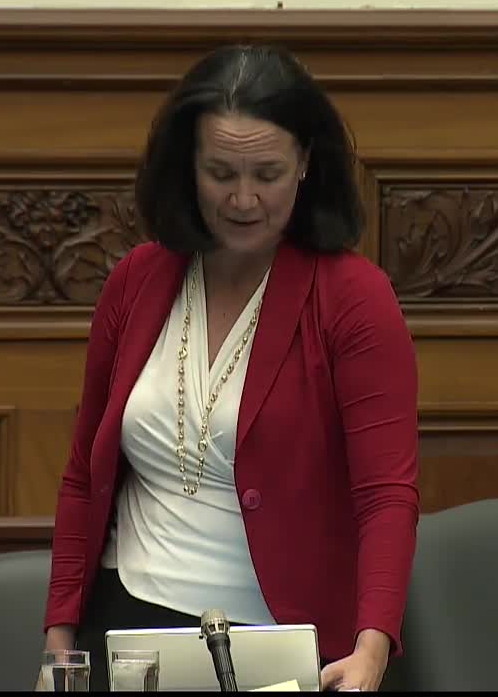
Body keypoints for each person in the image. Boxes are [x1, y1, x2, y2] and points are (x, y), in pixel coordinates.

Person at [42, 43, 419, 692]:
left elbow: (388, 493)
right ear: (188, 166)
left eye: (267, 173)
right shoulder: (137, 281)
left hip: (280, 642)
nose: (243, 199)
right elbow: (84, 476)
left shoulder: (353, 298)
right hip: (128, 628)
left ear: (305, 164)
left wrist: (372, 648)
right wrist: (58, 641)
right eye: (221, 172)